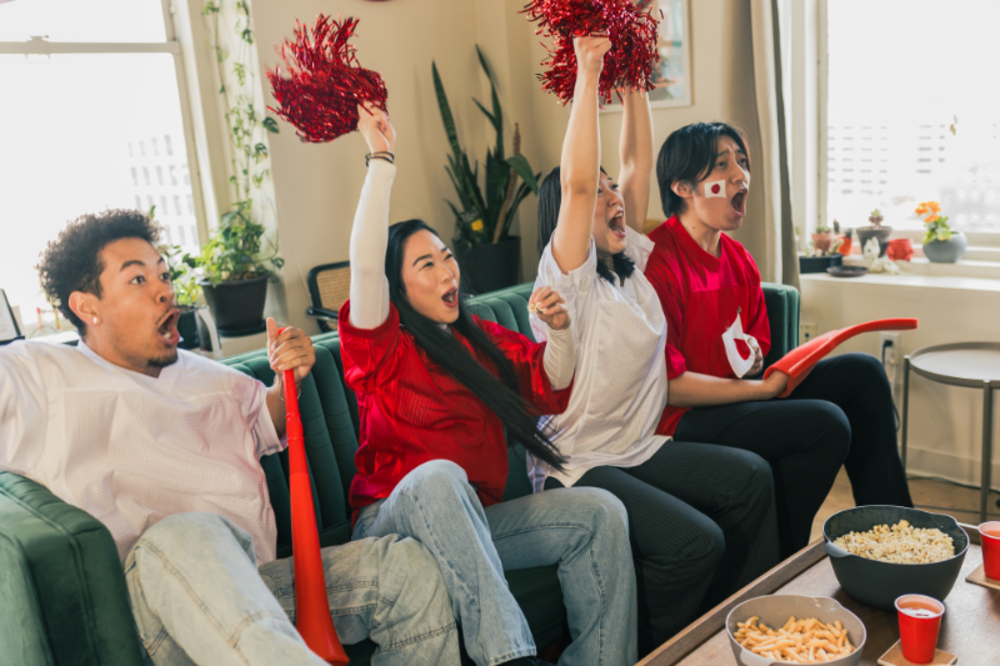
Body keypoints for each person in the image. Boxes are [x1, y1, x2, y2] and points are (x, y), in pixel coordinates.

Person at [0, 210, 461, 666]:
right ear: (87, 307)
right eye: (138, 280)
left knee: (408, 569)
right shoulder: (34, 374)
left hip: (257, 585)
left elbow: (271, 422)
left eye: (163, 274)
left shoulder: (209, 375)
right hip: (149, 609)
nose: (164, 289)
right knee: (187, 530)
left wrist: (290, 380)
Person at [340, 103, 637, 666]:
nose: (447, 272)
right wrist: (380, 159)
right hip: (390, 525)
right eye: (425, 265)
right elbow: (363, 267)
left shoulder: (481, 340)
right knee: (436, 477)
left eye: (447, 258)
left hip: (472, 524)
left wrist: (562, 331)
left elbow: (551, 383)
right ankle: (511, 658)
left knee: (600, 512)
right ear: (396, 287)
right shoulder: (384, 347)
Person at [530, 36, 779, 654]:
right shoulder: (569, 277)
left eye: (617, 194)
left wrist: (637, 72)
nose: (616, 199)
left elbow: (636, 164)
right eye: (599, 195)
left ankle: (760, 630)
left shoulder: (632, 266)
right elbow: (580, 183)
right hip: (580, 466)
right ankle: (665, 650)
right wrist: (590, 70)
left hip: (638, 446)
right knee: (697, 541)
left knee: (752, 479)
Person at [645, 121, 913, 558]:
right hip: (682, 417)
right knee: (826, 422)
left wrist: (756, 363)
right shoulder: (658, 263)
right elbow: (667, 386)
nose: (740, 175)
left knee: (863, 373)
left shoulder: (738, 259)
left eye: (742, 162)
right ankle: (779, 560)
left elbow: (755, 350)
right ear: (681, 186)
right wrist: (762, 386)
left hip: (737, 399)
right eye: (721, 165)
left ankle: (896, 536)